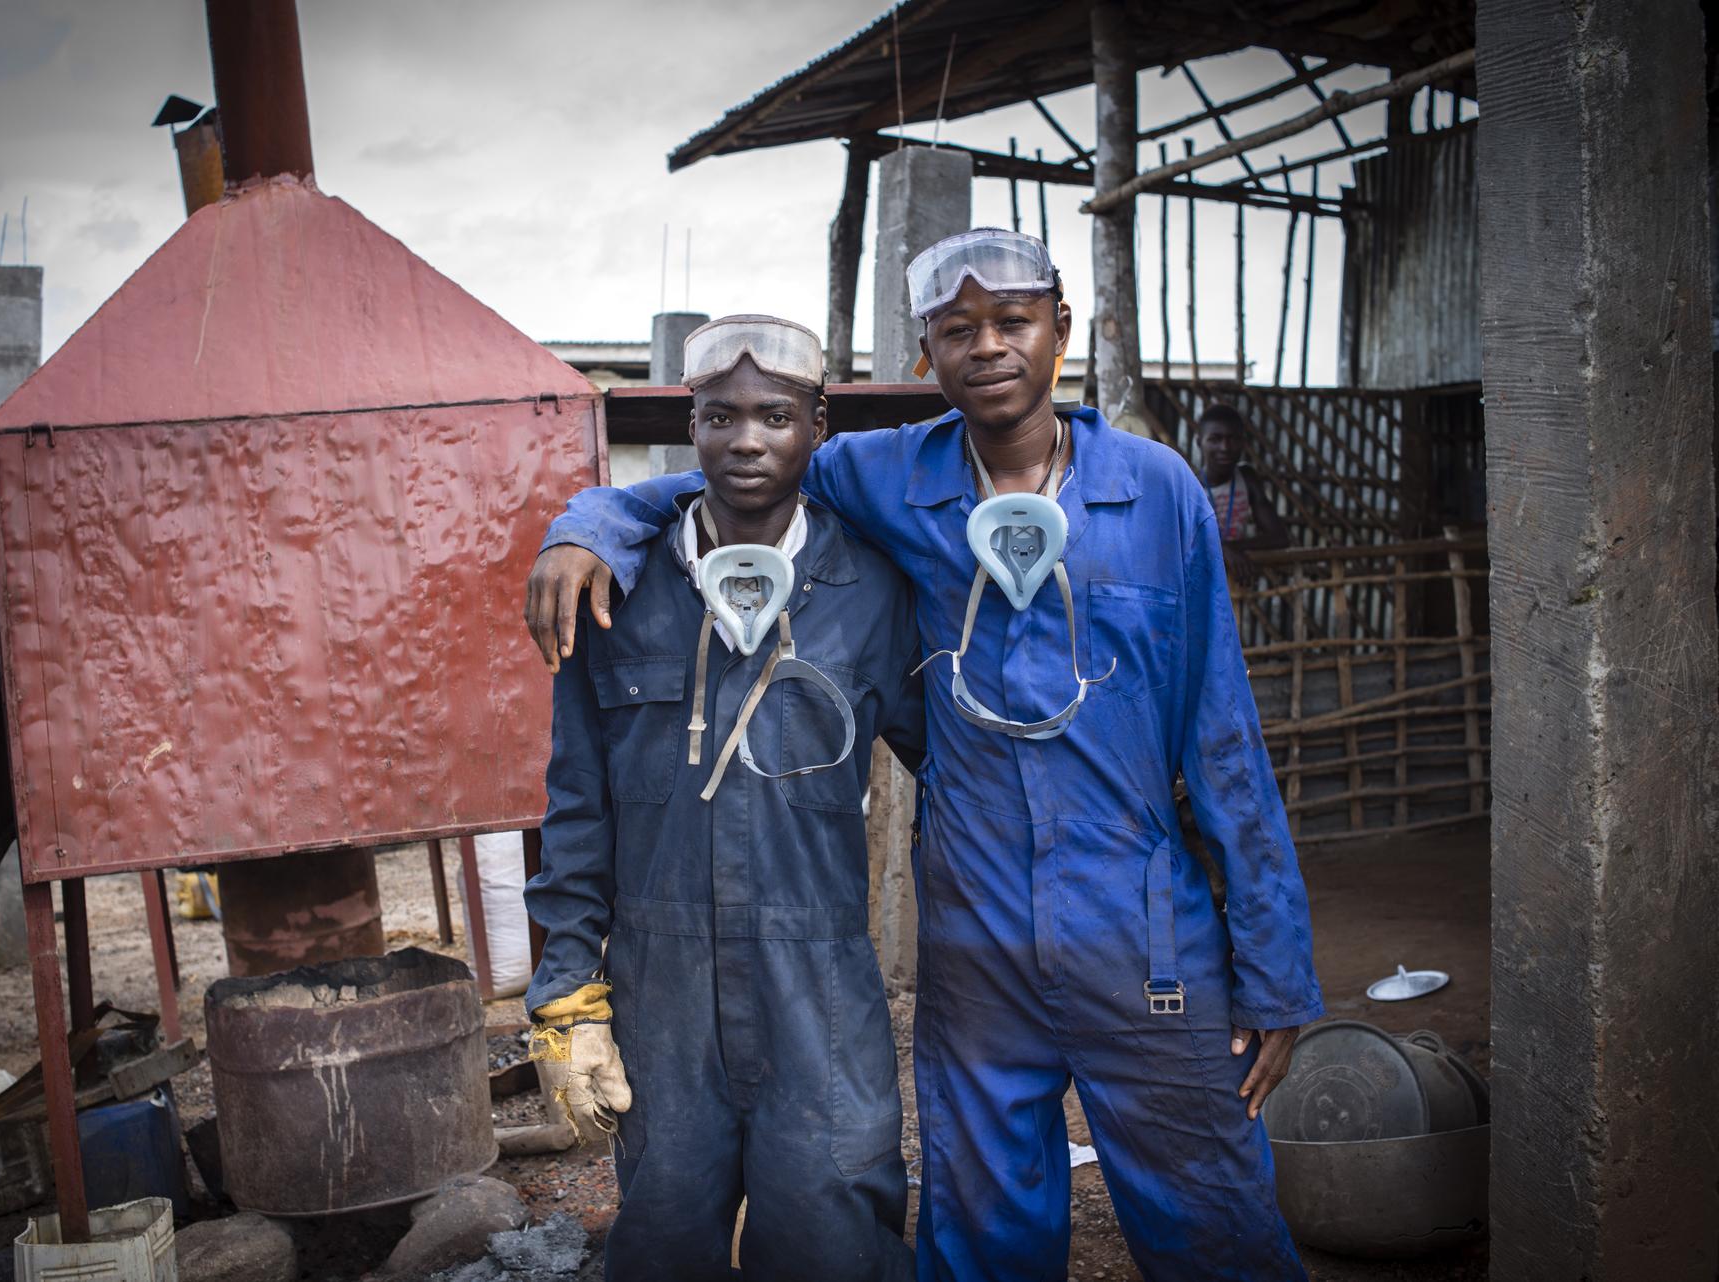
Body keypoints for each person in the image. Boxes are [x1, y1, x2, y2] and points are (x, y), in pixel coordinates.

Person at [524, 230, 1324, 1281]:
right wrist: (585, 523)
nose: (988, 347)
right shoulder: (885, 474)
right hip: (977, 939)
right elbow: (724, 483)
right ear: (926, 355)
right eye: (958, 329)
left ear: (1061, 332)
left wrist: (1273, 967)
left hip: (1144, 932)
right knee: (984, 1233)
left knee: (1216, 1217)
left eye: (1013, 321)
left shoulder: (1158, 489)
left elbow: (1224, 737)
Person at [523, 314, 925, 1282]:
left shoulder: (869, 588)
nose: (747, 439)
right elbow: (577, 806)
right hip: (663, 988)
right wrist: (567, 986)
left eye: (776, 416)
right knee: (664, 1226)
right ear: (688, 426)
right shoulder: (615, 589)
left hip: (819, 977)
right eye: (719, 416)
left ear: (817, 425)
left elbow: (956, 774)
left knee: (834, 1223)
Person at [1198, 402, 1291, 577]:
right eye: (1215, 439)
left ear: (1243, 443)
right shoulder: (1190, 486)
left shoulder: (1247, 478)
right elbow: (1180, 544)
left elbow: (1279, 538)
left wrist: (1226, 548)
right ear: (1199, 442)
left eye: (1233, 439)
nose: (1225, 447)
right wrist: (1223, 550)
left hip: (1237, 581)